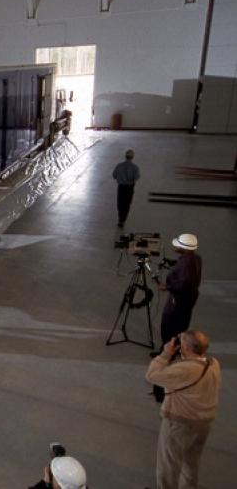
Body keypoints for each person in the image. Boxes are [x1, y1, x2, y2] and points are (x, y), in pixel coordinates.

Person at [145, 329, 221, 489]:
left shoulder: (185, 370)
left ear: (186, 348)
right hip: (204, 423)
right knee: (191, 463)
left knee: (169, 466)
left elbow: (152, 375)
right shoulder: (213, 363)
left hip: (180, 424)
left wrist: (165, 354)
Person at [152, 234, 203, 401]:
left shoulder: (186, 265)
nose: (175, 247)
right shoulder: (195, 259)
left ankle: (167, 357)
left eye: (178, 245)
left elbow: (185, 283)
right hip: (185, 304)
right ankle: (167, 350)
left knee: (169, 331)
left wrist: (167, 286)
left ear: (183, 248)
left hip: (178, 304)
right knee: (177, 329)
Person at [112, 149, 140, 228]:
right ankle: (123, 220)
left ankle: (120, 219)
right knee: (127, 204)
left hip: (121, 187)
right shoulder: (135, 167)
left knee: (120, 203)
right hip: (129, 188)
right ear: (132, 157)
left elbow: (114, 175)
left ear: (125, 156)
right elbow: (136, 178)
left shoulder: (119, 166)